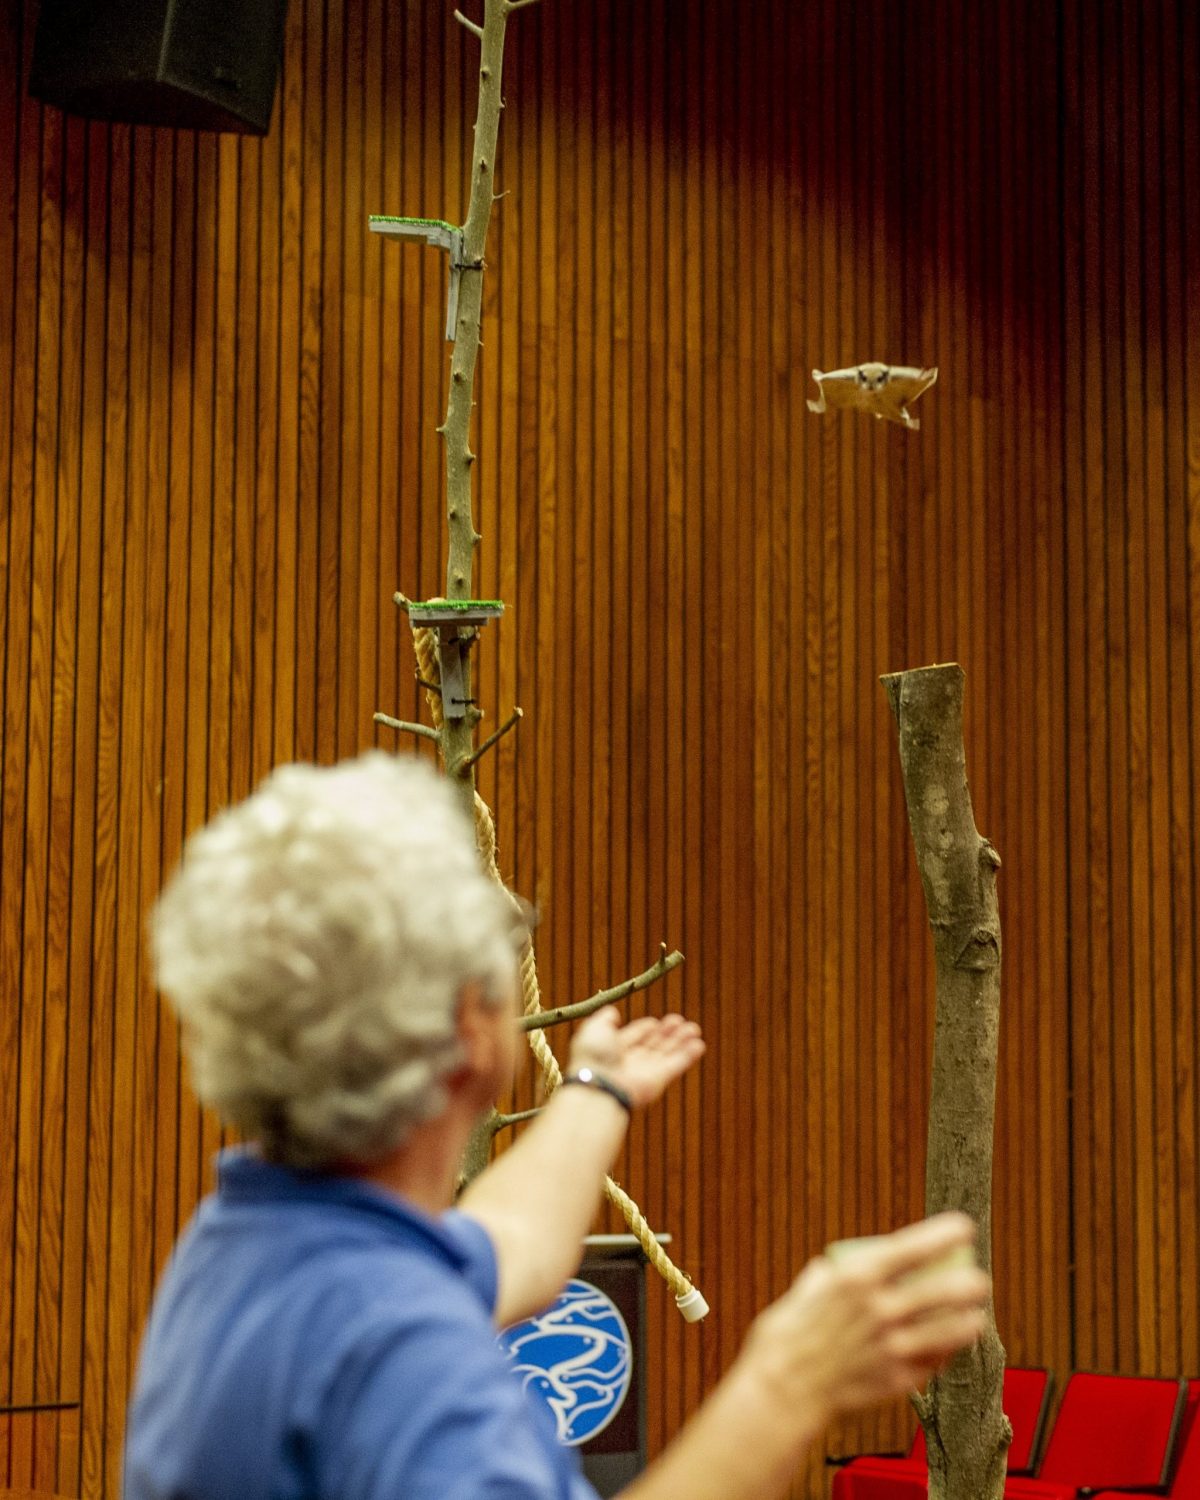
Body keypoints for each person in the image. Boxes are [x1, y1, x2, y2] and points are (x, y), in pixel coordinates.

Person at [124, 752, 989, 1500]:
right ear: (471, 1026)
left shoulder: (253, 1250)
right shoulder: (402, 1357)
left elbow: (509, 1242)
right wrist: (791, 1379)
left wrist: (596, 1091)